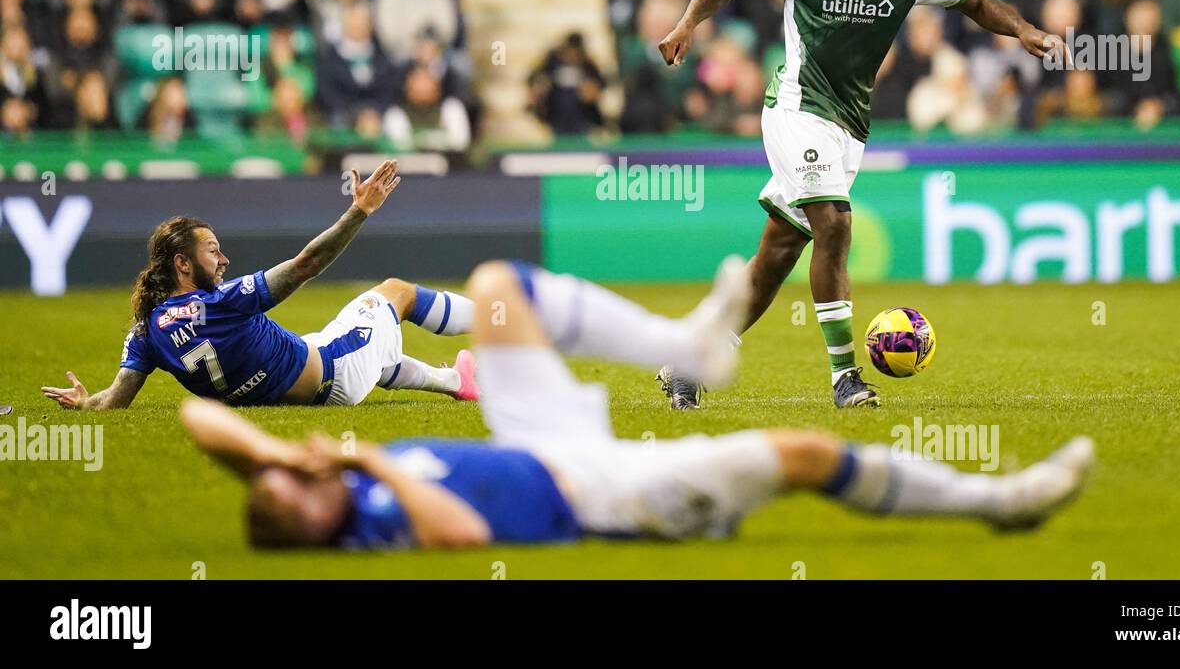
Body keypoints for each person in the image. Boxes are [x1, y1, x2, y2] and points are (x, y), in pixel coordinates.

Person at [178, 256, 1094, 549]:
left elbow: (196, 419)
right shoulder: (372, 522)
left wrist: (281, 460)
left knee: (498, 286)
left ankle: (687, 349)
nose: (287, 482)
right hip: (594, 489)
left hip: (536, 437)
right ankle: (998, 502)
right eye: (288, 498)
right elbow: (462, 536)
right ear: (310, 525)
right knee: (804, 454)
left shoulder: (317, 485)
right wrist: (362, 460)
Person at [655, 0, 1065, 410]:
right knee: (835, 225)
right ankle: (845, 379)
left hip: (849, 123)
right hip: (797, 108)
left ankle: (691, 362)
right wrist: (684, 26)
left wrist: (1025, 31)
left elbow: (976, 4)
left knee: (778, 253)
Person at [41, 161, 479, 411]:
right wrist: (360, 212)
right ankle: (502, 318)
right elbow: (308, 263)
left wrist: (84, 403)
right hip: (334, 373)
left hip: (303, 371)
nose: (224, 259)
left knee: (378, 355)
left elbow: (116, 399)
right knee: (395, 292)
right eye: (212, 250)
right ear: (182, 263)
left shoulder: (146, 332)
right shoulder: (224, 303)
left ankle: (456, 380)